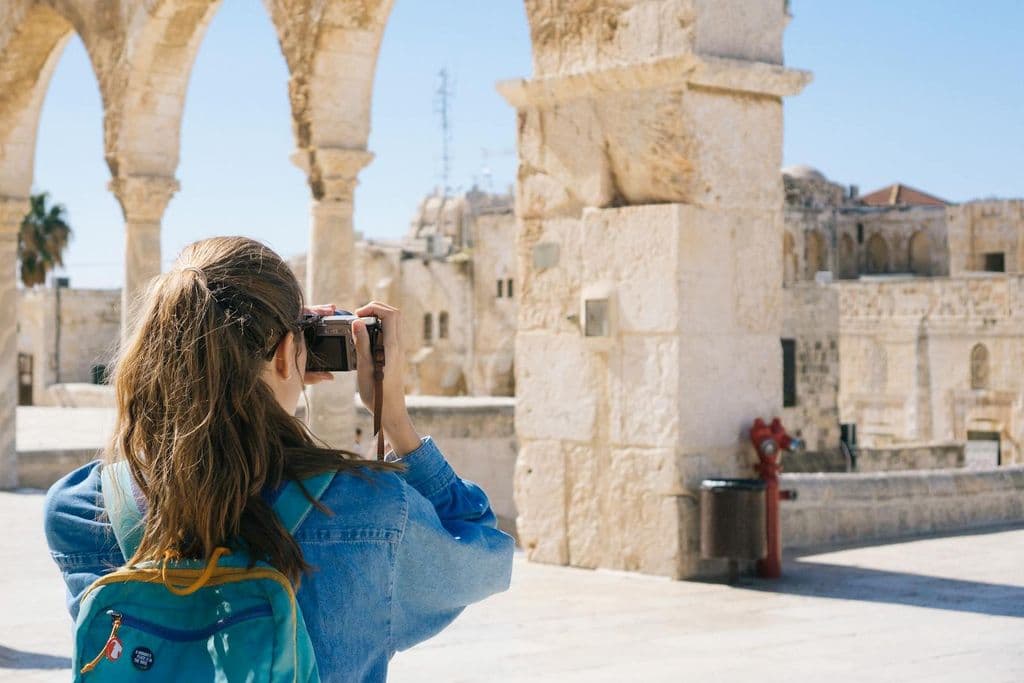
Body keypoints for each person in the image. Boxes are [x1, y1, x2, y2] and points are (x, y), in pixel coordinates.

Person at [43, 236, 515, 681]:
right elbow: (485, 555)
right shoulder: (371, 511)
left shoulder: (81, 510)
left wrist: (281, 352)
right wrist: (395, 421)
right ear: (289, 353)